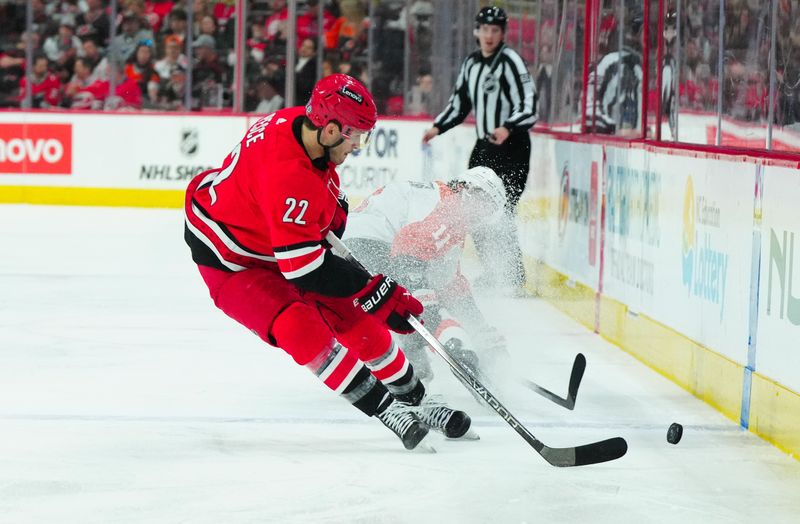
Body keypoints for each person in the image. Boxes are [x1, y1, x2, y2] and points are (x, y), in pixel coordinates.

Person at [183, 74, 472, 450]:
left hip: (272, 239)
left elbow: (312, 222)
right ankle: (386, 409)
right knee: (299, 326)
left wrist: (368, 293)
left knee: (352, 313)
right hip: (229, 259)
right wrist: (372, 288)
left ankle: (415, 398)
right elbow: (301, 268)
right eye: (356, 136)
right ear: (331, 129)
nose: (358, 146)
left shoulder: (298, 127)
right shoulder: (288, 176)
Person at [342, 167, 510, 384]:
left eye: (489, 210)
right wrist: (449, 338)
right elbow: (408, 252)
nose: (482, 213)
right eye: (483, 203)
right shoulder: (446, 205)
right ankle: (421, 363)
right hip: (363, 246)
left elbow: (448, 282)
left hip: (358, 245)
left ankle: (411, 367)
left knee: (415, 304)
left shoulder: (451, 215)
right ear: (463, 188)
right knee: (418, 304)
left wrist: (480, 328)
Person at [421, 5, 536, 294]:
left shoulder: (510, 61)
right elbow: (459, 102)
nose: (489, 35)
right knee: (471, 209)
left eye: (495, 30)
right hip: (485, 147)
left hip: (513, 147)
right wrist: (437, 127)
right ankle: (493, 271)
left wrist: (508, 126)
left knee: (503, 209)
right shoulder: (471, 63)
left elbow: (529, 104)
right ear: (476, 31)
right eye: (484, 29)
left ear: (502, 33)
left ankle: (514, 278)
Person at [584, 6, 644, 136]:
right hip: (604, 144)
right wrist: (616, 131)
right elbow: (589, 115)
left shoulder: (637, 68)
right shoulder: (610, 63)